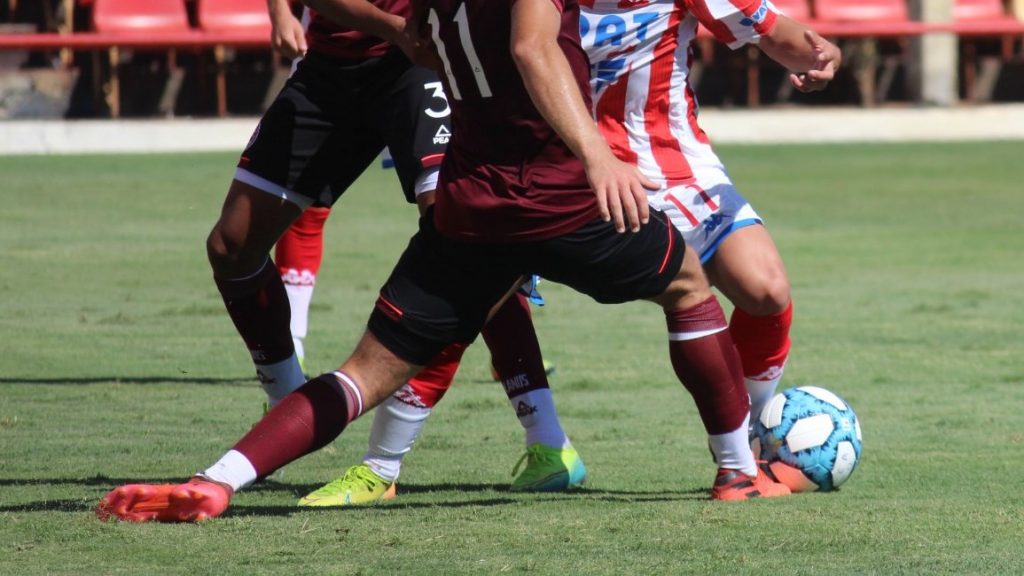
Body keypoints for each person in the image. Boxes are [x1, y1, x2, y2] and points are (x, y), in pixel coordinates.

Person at [95, 0, 808, 523]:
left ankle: (218, 480)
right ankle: (738, 472)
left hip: (471, 211)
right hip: (558, 195)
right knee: (688, 284)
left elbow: (427, 43)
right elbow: (532, 50)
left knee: (359, 375)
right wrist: (596, 155)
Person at [311, 0, 840, 502]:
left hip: (671, 163)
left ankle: (748, 439)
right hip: (558, 171)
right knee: (463, 310)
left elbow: (774, 30)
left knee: (765, 289)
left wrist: (819, 56)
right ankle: (381, 465)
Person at [205, 0, 587, 507]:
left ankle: (534, 439)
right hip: (337, 64)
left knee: (468, 240)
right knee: (231, 245)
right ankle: (286, 401)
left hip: (421, 62)